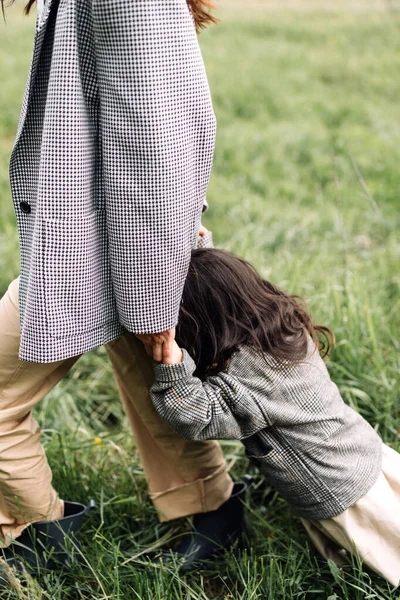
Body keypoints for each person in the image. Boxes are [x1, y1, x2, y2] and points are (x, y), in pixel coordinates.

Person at [0, 0, 244, 569]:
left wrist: (153, 296)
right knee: (150, 380)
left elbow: (153, 141)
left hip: (105, 247)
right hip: (104, 237)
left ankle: (39, 540)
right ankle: (215, 514)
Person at [142, 248, 400, 586]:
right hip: (363, 451)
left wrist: (173, 365)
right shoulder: (281, 327)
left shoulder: (245, 377)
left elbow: (196, 417)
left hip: (338, 487)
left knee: (383, 548)